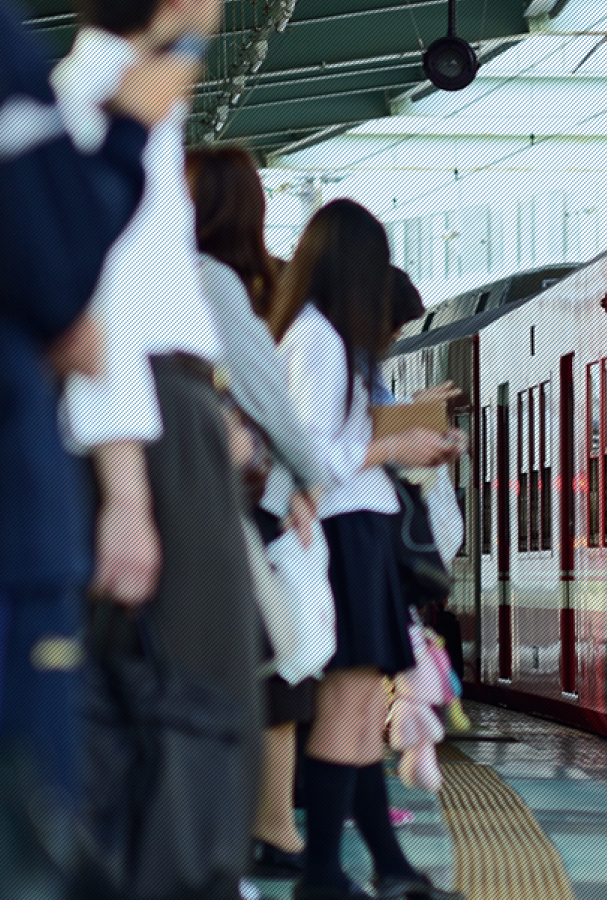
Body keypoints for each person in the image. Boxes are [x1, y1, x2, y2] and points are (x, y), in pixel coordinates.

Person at [55, 1, 266, 898]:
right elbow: (95, 304)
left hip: (167, 410)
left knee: (184, 695)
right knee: (189, 695)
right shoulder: (106, 100)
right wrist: (131, 492)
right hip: (142, 424)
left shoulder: (121, 96)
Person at [0, 4, 199, 895]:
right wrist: (129, 131)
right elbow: (63, 278)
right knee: (33, 804)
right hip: (20, 498)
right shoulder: (73, 83)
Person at [266, 198, 463, 900]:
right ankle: (330, 872)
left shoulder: (321, 338)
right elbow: (312, 451)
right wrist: (396, 445)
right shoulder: (316, 340)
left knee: (353, 718)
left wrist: (410, 436)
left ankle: (385, 868)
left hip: (359, 534)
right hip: (347, 536)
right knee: (346, 713)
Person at [185, 144, 327, 881]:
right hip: (233, 503)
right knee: (267, 662)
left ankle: (251, 828)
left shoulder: (194, 279)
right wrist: (312, 476)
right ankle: (261, 830)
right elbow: (266, 393)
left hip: (213, 498)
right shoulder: (219, 282)